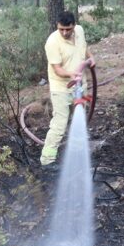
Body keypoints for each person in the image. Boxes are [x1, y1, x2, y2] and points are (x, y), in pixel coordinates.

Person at [40, 11, 96, 167]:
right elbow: (57, 69)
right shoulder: (52, 42)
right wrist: (73, 75)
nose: (64, 33)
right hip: (61, 89)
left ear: (74, 26)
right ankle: (47, 160)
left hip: (80, 85)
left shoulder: (80, 31)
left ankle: (77, 153)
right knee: (59, 123)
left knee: (80, 120)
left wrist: (90, 57)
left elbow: (84, 47)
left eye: (68, 29)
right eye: (61, 29)